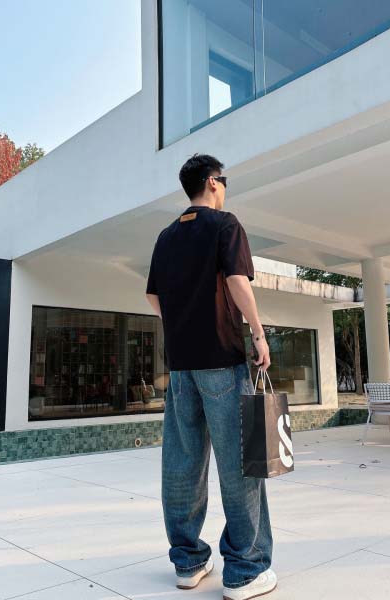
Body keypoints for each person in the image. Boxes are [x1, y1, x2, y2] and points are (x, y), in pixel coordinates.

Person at [145, 154, 277, 599]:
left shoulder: (166, 236)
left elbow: (152, 296)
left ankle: (188, 562)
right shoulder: (225, 224)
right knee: (240, 465)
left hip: (181, 367)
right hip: (222, 358)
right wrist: (258, 333)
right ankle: (245, 570)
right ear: (213, 183)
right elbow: (238, 282)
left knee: (182, 465)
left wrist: (182, 322)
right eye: (225, 180)